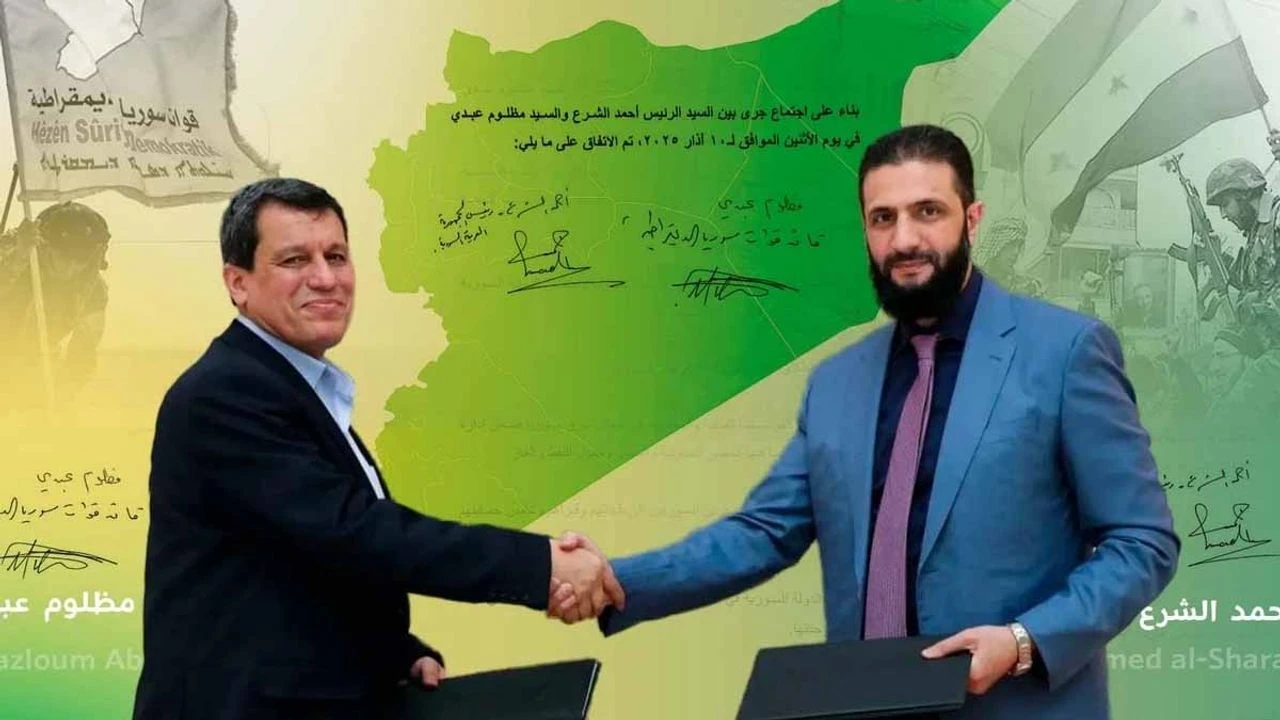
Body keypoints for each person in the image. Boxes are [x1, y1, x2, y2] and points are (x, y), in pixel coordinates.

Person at [555, 125, 1179, 719]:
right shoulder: (835, 383)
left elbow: (1141, 540)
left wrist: (1022, 641)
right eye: (883, 218)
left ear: (972, 219)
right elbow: (763, 533)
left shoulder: (1066, 352)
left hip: (1015, 709)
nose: (904, 239)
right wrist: (612, 579)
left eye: (927, 211)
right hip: (858, 704)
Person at [132, 178, 621, 720]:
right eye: (295, 260)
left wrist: (392, 652)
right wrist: (540, 565)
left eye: (336, 256)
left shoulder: (292, 387)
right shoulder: (224, 394)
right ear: (238, 282)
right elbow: (355, 532)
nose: (325, 278)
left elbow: (301, 566)